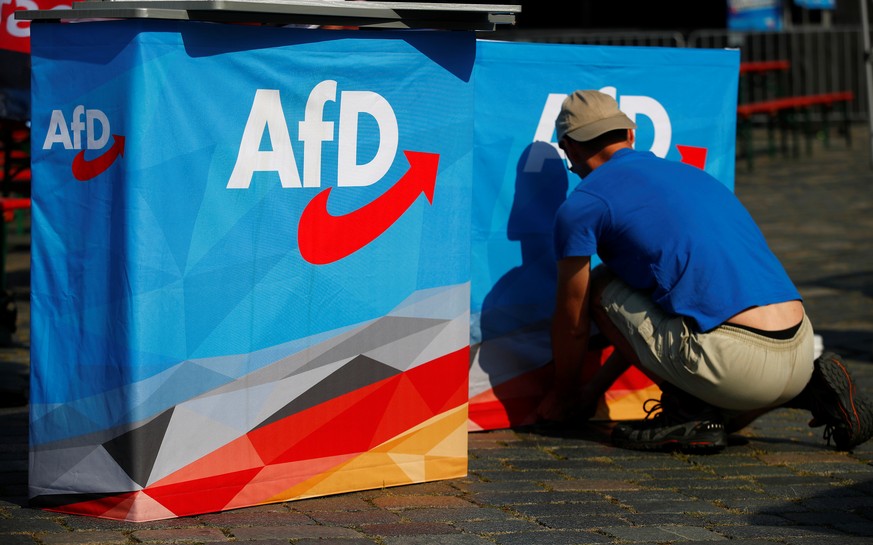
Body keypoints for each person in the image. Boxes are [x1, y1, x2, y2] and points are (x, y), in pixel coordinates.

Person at [538, 89, 873, 452]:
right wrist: (594, 391)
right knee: (722, 420)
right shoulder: (692, 176)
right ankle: (812, 389)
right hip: (801, 346)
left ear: (568, 147)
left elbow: (572, 326)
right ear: (630, 135)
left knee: (601, 284)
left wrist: (569, 398)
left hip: (735, 366)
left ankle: (689, 413)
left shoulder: (585, 204)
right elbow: (644, 329)